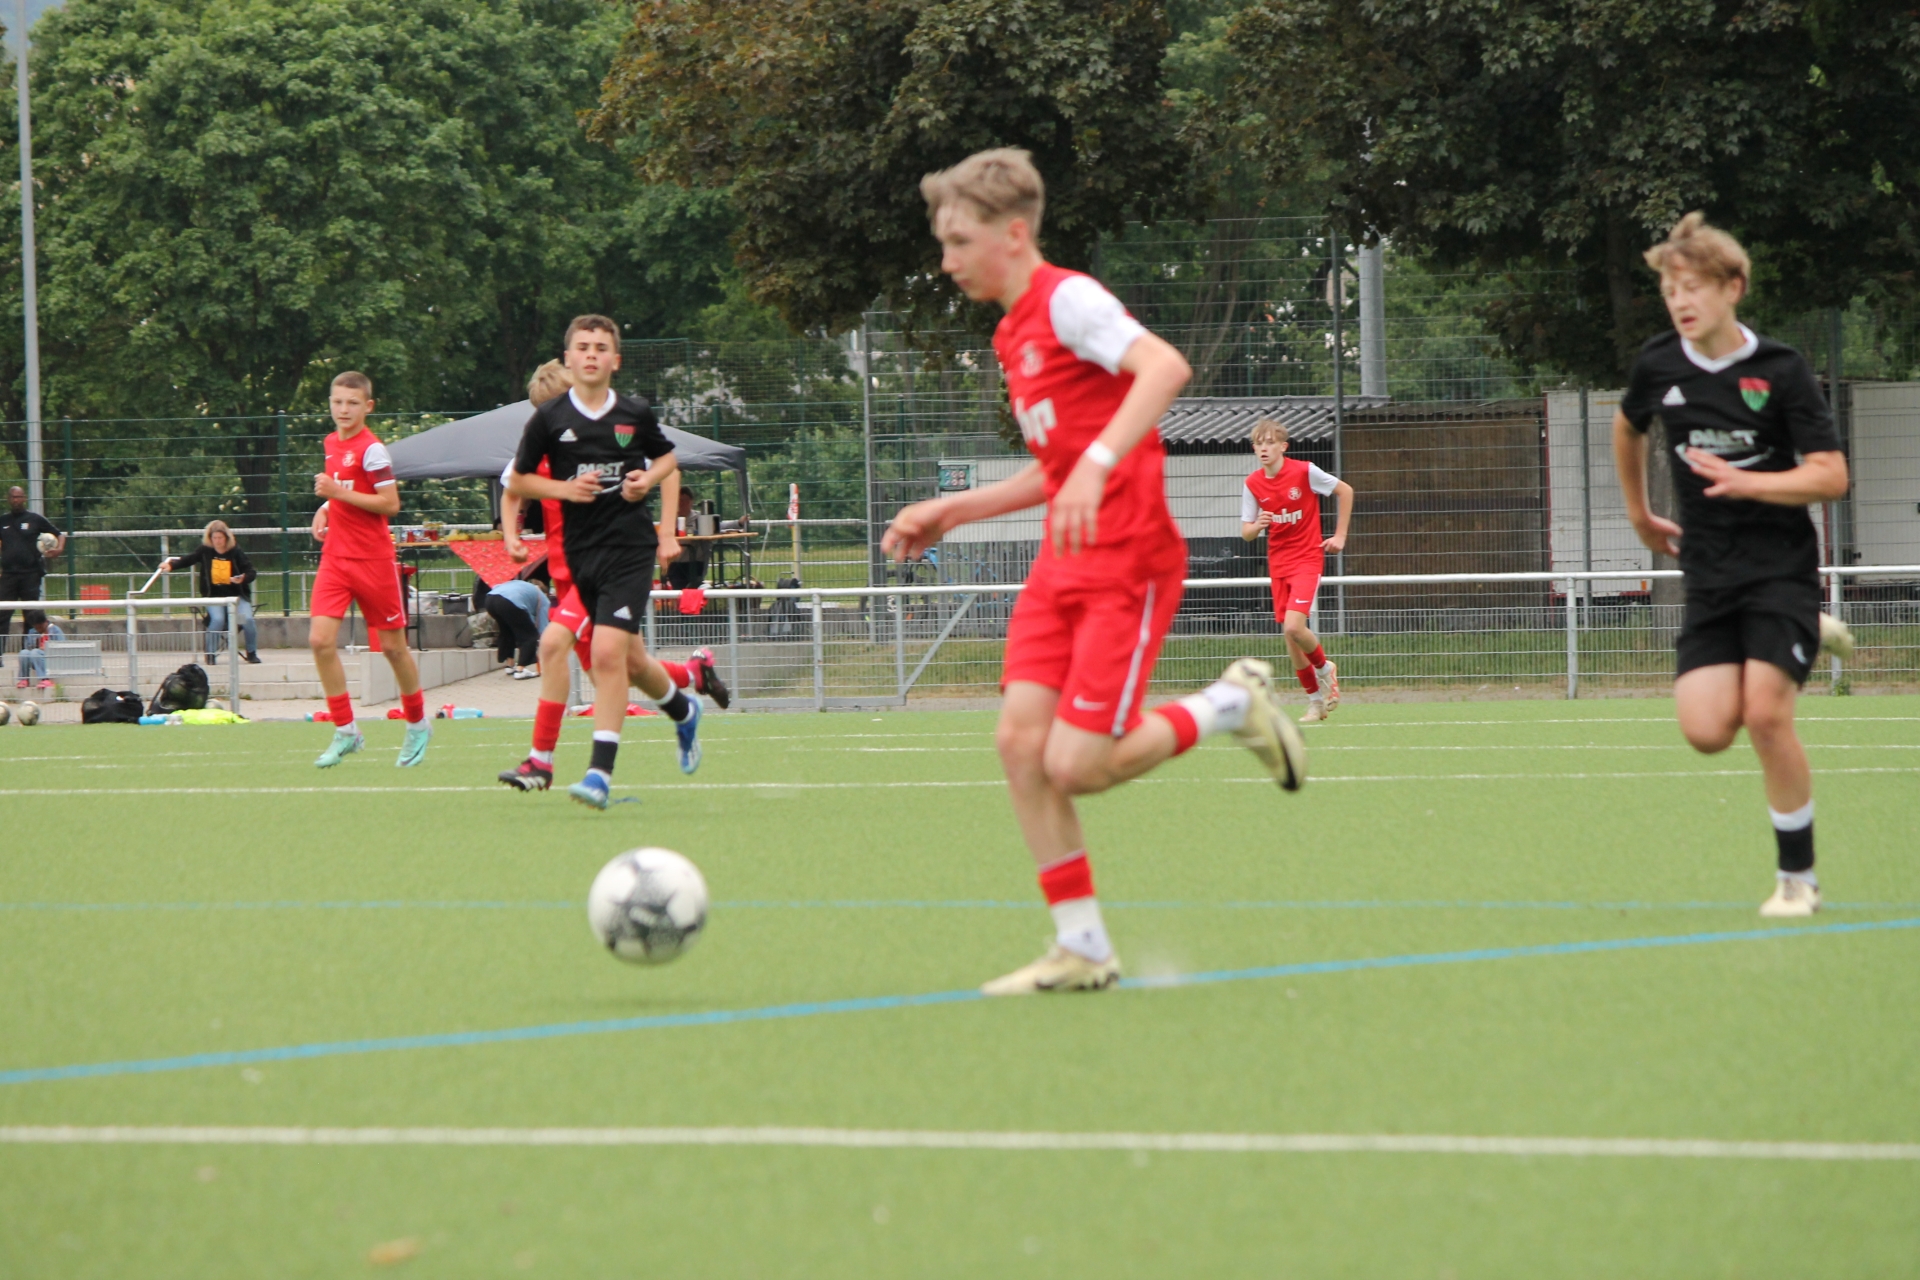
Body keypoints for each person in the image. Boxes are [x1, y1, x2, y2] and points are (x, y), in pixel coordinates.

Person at [882, 148, 1308, 996]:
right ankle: (1081, 947)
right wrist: (956, 510)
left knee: (1076, 765)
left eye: (959, 241)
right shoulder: (1010, 334)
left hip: (1129, 562)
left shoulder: (1068, 300)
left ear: (1012, 234)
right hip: (1062, 565)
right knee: (1019, 745)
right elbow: (1059, 468)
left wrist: (1100, 462)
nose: (947, 260)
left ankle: (1231, 705)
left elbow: (1165, 368)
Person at [1613, 212, 1853, 919]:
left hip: (1780, 569)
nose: (1680, 302)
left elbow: (1831, 475)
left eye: (1693, 287)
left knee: (1765, 715)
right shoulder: (1660, 364)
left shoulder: (1779, 370)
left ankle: (1797, 879)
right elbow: (1627, 426)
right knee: (1707, 730)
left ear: (1733, 287)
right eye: (1670, 291)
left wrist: (1751, 483)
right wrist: (1639, 513)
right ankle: (1810, 629)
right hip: (1710, 575)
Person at [497, 360, 731, 795]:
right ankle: (689, 687)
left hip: (610, 564)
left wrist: (665, 534)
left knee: (553, 645)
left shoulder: (614, 434)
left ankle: (544, 760)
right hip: (569, 572)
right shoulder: (541, 447)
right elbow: (513, 490)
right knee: (631, 665)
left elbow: (669, 469)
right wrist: (512, 535)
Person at [309, 371, 432, 768]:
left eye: (352, 403)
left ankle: (418, 724)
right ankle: (346, 730)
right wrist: (326, 508)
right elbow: (345, 489)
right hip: (336, 558)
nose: (343, 409)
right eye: (337, 402)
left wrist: (335, 494)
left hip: (373, 560)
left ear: (368, 406)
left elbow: (389, 504)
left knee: (394, 649)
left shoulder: (373, 449)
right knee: (320, 641)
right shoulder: (331, 442)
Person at [1240, 419, 1354, 722]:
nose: (1263, 448)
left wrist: (1340, 536)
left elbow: (1345, 491)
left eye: (1269, 442)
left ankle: (1325, 668)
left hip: (1306, 559)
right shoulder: (1252, 483)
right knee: (1290, 637)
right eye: (1258, 443)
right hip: (1278, 563)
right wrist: (1257, 525)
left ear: (1283, 446)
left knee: (1293, 627)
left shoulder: (1305, 471)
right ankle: (1315, 701)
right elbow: (1246, 532)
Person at [158, 519, 261, 664]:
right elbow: (189, 559)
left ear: (226, 538)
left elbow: (251, 571)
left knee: (247, 619)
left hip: (236, 596)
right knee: (217, 620)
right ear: (210, 538)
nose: (218, 541)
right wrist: (171, 565)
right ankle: (210, 653)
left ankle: (251, 652)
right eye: (215, 538)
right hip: (214, 596)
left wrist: (243, 578)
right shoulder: (205, 550)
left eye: (220, 538)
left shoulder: (236, 552)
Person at [0, 485, 64, 649]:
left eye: (19, 497)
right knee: (2, 615)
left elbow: (59, 535)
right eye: (13, 497)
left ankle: (29, 653)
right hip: (8, 576)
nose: (16, 500)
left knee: (31, 616)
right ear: (8, 499)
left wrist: (58, 549)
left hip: (30, 575)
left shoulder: (35, 519)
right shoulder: (3, 521)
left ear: (24, 498)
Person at [485, 571, 549, 677]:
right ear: (545, 593)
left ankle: (510, 666)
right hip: (509, 601)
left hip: (491, 599)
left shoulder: (525, 588)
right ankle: (521, 670)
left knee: (507, 632)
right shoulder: (543, 598)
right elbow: (543, 626)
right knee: (530, 636)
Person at [15, 619, 61, 689]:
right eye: (36, 627)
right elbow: (28, 647)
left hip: (50, 658)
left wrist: (47, 648)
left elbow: (61, 646)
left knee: (35, 652)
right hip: (36, 656)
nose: (38, 629)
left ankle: (45, 679)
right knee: (24, 653)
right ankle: (24, 679)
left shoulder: (55, 630)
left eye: (40, 627)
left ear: (45, 622)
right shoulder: (32, 632)